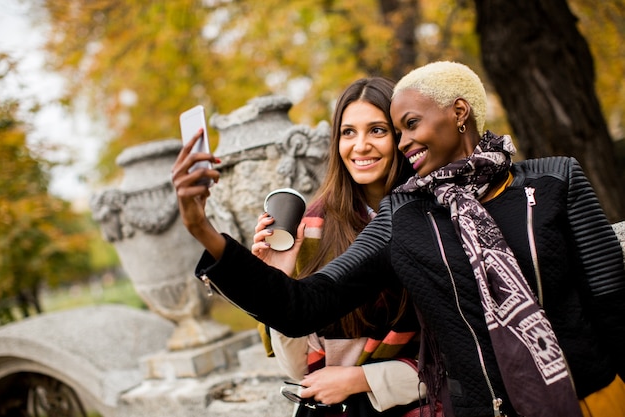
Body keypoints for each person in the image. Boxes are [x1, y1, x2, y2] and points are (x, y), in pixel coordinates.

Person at [171, 61, 625, 417]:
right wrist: (203, 231)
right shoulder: (403, 215)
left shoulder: (555, 179)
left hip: (595, 398)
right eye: (398, 130)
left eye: (407, 125)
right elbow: (304, 305)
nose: (403, 142)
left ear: (459, 112)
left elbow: (614, 305)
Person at [251, 77, 429, 416]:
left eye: (377, 130)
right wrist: (277, 282)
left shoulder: (434, 215)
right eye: (348, 132)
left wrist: (362, 378)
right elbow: (297, 369)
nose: (360, 146)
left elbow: (464, 357)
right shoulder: (313, 227)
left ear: (400, 136)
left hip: (420, 403)